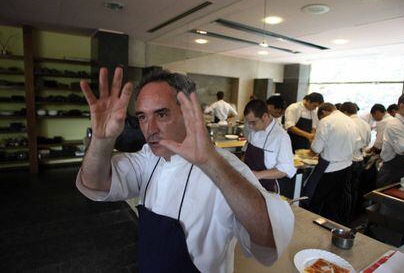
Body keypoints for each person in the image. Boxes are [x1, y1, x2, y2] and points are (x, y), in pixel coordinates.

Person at [76, 67, 294, 272]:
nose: (149, 129)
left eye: (161, 114)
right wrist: (102, 139)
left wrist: (210, 162)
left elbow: (269, 239)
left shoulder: (227, 169)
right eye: (142, 117)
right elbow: (95, 182)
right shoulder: (147, 158)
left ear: (189, 113)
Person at [305, 103, 357, 225]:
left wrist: (310, 152)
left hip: (329, 168)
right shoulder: (350, 121)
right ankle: (330, 226)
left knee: (316, 200)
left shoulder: (326, 121)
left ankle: (311, 225)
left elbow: (316, 148)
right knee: (334, 203)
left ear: (323, 112)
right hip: (346, 166)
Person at [243, 99, 296, 196]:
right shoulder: (253, 131)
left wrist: (258, 175)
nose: (250, 126)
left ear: (265, 116)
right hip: (249, 183)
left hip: (268, 188)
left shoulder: (281, 137)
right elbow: (247, 153)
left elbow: (286, 169)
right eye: (248, 122)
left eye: (253, 122)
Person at [339, 102, 371, 219]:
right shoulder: (365, 124)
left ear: (345, 112)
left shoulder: (347, 123)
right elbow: (367, 143)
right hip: (360, 160)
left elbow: (343, 143)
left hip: (348, 161)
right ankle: (352, 214)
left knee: (345, 191)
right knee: (355, 188)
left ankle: (344, 216)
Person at [377, 93, 404, 188]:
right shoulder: (395, 125)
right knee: (386, 202)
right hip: (391, 173)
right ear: (402, 106)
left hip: (403, 171)